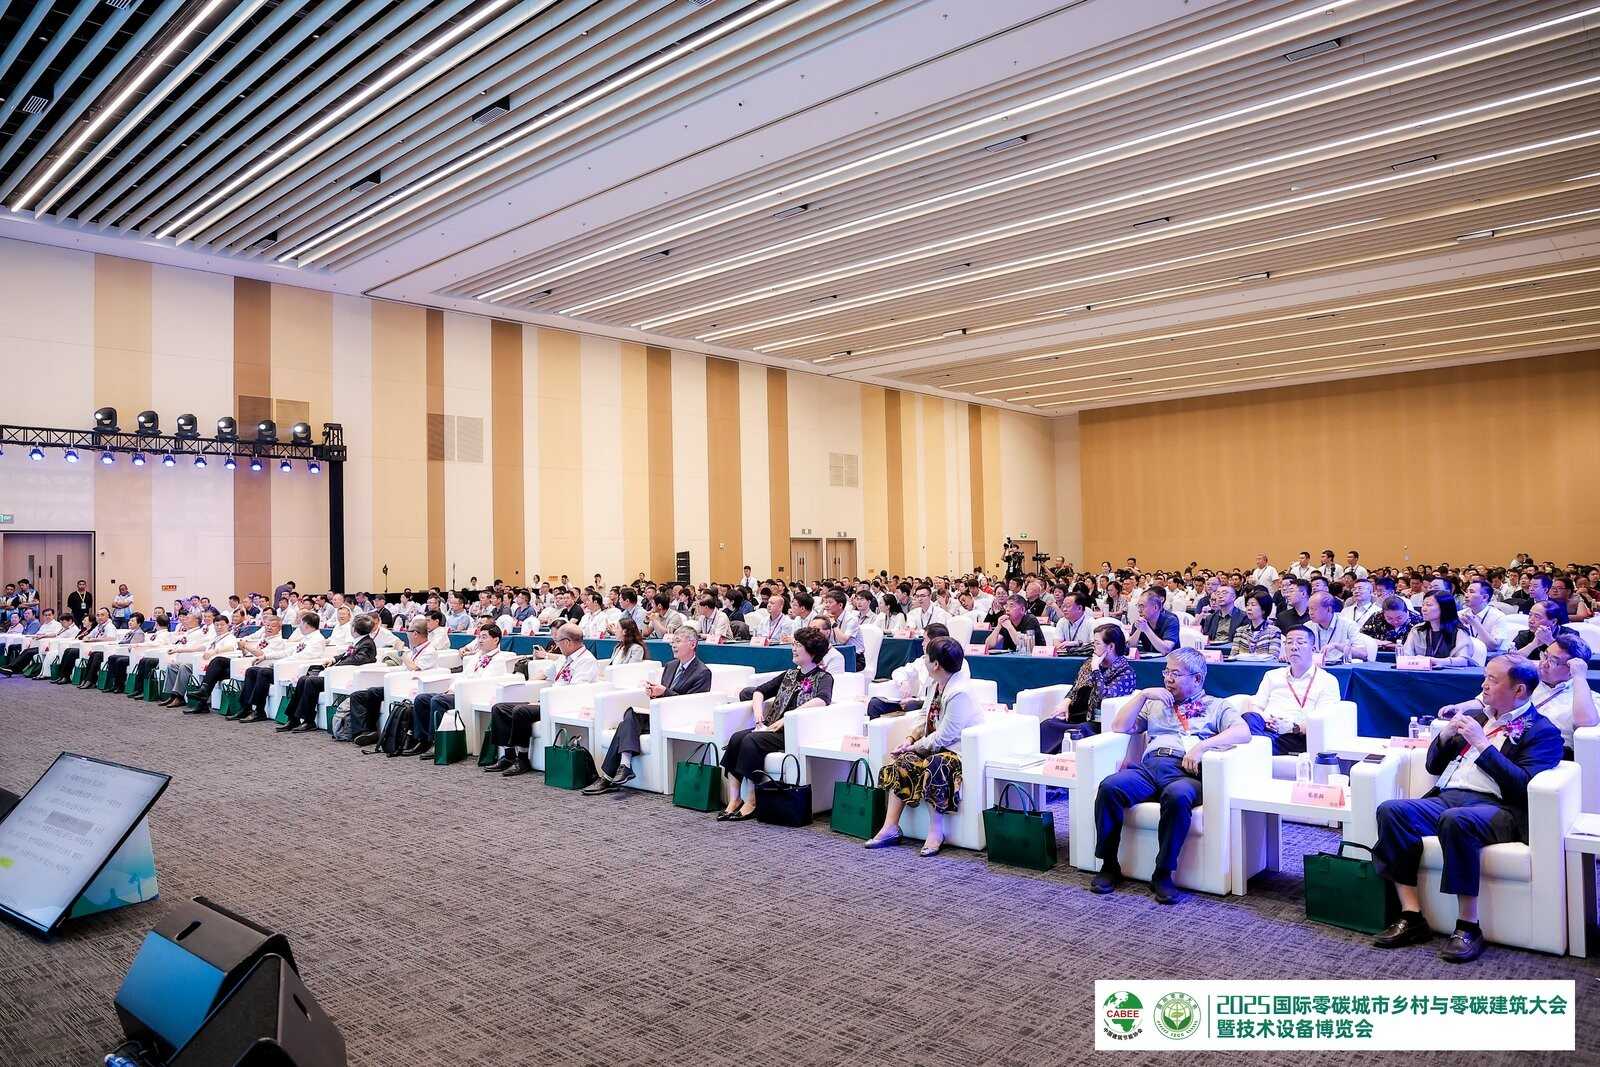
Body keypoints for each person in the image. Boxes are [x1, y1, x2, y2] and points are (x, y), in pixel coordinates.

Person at [1371, 657, 1563, 962]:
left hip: (1499, 807)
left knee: (1456, 821)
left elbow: (1522, 786)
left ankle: (1468, 926)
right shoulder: (1478, 717)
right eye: (1484, 677)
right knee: (1392, 811)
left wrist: (1482, 745)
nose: (1483, 685)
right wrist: (1445, 736)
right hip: (1448, 797)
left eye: (1493, 680)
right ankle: (1411, 915)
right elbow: (1434, 766)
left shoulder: (1542, 731)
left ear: (1519, 690)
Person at [1090, 648, 1250, 904]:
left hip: (1185, 772)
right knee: (1110, 787)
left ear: (1197, 679)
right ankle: (1109, 865)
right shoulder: (1156, 703)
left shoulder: (1217, 706)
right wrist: (1143, 695)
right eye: (1166, 672)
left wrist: (1203, 746)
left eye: (1176, 673)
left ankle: (1163, 873)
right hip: (1150, 766)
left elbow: (1243, 732)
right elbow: (1119, 726)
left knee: (1177, 796)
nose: (1168, 678)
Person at [862, 637, 984, 856]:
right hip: (933, 745)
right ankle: (890, 827)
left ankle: (936, 831)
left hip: (957, 751)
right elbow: (923, 717)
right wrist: (910, 740)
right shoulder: (936, 684)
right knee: (903, 761)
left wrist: (916, 747)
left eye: (927, 657)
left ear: (936, 664)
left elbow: (946, 736)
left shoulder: (960, 692)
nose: (924, 660)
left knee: (936, 764)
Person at [718, 627, 834, 821]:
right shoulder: (790, 674)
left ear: (812, 652)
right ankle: (734, 799)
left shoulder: (824, 678)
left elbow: (822, 700)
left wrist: (786, 718)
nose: (794, 648)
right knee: (737, 738)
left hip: (792, 731)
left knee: (751, 741)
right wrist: (758, 715)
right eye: (794, 644)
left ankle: (752, 800)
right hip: (771, 727)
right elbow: (759, 691)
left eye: (799, 645)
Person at [585, 629, 713, 794]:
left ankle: (609, 776)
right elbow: (663, 696)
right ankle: (624, 766)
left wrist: (664, 692)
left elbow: (692, 705)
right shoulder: (671, 665)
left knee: (626, 723)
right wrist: (654, 693)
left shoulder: (702, 672)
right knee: (630, 715)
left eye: (678, 641)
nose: (673, 645)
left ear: (692, 644)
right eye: (672, 641)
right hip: (660, 713)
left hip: (679, 719)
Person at [484, 624, 599, 776]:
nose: (557, 645)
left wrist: (545, 699)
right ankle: (509, 755)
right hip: (548, 699)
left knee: (521, 711)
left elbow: (575, 690)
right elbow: (545, 674)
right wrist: (525, 685)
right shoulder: (564, 659)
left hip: (563, 704)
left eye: (558, 641)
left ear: (567, 642)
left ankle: (522, 759)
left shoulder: (586, 661)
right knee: (499, 708)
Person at [400, 623, 504, 757]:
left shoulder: (499, 659)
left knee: (437, 700)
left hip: (472, 694)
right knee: (422, 698)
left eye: (484, 637)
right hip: (459, 690)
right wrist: (451, 688)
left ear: (496, 640)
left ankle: (437, 742)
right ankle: (422, 739)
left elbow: (485, 683)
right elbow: (463, 675)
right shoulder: (477, 656)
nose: (480, 640)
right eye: (479, 637)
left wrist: (457, 689)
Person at [1241, 626, 1340, 754]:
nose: (1294, 647)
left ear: (1313, 649)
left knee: (1248, 739)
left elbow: (1323, 720)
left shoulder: (1327, 680)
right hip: (1266, 727)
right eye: (1289, 642)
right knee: (1249, 717)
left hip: (1295, 736)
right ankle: (1258, 746)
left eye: (1300, 642)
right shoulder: (1272, 675)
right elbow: (1255, 706)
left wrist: (1291, 728)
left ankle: (1253, 746)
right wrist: (1266, 719)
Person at [1040, 623, 1135, 752]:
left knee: (1078, 731)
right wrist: (1066, 701)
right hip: (1076, 716)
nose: (1093, 647)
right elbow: (1076, 686)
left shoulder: (1126, 673)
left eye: (1097, 643)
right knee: (1047, 725)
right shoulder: (1088, 663)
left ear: (1111, 647)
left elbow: (1104, 695)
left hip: (1096, 722)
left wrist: (1096, 669)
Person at [349, 617, 443, 746]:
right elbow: (407, 667)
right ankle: (364, 731)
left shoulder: (429, 651)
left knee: (372, 692)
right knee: (358, 695)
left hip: (414, 685)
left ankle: (368, 731)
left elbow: (414, 668)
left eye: (408, 631)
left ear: (415, 634)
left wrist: (401, 651)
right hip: (402, 682)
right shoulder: (415, 649)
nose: (407, 635)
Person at [277, 615, 377, 732]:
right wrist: (334, 659)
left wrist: (337, 665)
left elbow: (359, 659)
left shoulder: (367, 643)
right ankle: (293, 718)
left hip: (343, 675)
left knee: (310, 681)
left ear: (354, 629)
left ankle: (309, 720)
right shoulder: (360, 641)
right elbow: (346, 654)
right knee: (303, 679)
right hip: (337, 672)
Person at [237, 613, 325, 723]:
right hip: (287, 666)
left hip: (296, 669)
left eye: (301, 624)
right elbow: (288, 652)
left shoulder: (317, 639)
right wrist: (265, 656)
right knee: (252, 671)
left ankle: (259, 711)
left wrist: (278, 663)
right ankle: (246, 707)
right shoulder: (307, 638)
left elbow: (302, 657)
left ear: (306, 625)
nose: (299, 626)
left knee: (264, 672)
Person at [1524, 633, 1596, 756]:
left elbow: (1586, 725)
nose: (1544, 664)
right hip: (1513, 745)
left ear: (1571, 670)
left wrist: (1579, 677)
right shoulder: (1529, 680)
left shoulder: (1585, 698)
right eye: (1545, 655)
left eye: (1553, 661)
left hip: (1550, 754)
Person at [1401, 592, 1474, 668]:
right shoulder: (1417, 630)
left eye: (1429, 605)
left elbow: (1463, 660)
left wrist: (1434, 661)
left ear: (1444, 608)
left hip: (1449, 674)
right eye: (1423, 605)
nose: (1424, 609)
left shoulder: (1458, 632)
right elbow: (1406, 656)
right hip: (1419, 673)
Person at [1304, 591, 1361, 664]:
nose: (1310, 613)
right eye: (1309, 609)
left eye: (1314, 609)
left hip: (1341, 667)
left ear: (1329, 609)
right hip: (1316, 666)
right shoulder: (1307, 627)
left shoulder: (1348, 625)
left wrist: (1337, 646)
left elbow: (1363, 653)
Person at [1459, 578, 1511, 653]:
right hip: (1467, 654)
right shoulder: (1460, 614)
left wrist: (1476, 624)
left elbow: (1494, 646)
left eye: (1471, 592)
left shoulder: (1498, 616)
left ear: (1484, 597)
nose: (1466, 595)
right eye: (1466, 591)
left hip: (1493, 656)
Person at [1231, 591, 1283, 660]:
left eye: (1253, 605)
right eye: (1247, 605)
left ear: (1263, 609)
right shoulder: (1240, 631)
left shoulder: (1273, 631)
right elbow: (1232, 656)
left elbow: (1274, 657)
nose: (1249, 608)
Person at [1130, 588, 1180, 656]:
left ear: (1155, 607)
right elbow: (1130, 647)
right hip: (1148, 660)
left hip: (1170, 661)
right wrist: (1139, 630)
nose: (1139, 610)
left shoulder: (1171, 620)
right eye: (1138, 606)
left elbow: (1166, 650)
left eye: (1142, 606)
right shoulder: (1141, 621)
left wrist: (1146, 629)